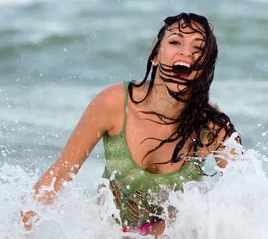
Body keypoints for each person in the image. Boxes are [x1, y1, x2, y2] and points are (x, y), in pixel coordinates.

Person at [21, 13, 241, 237]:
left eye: (199, 48)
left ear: (205, 67)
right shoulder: (114, 104)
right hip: (108, 231)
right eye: (175, 42)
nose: (186, 52)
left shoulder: (213, 126)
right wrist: (17, 230)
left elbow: (244, 194)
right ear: (155, 55)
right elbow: (60, 173)